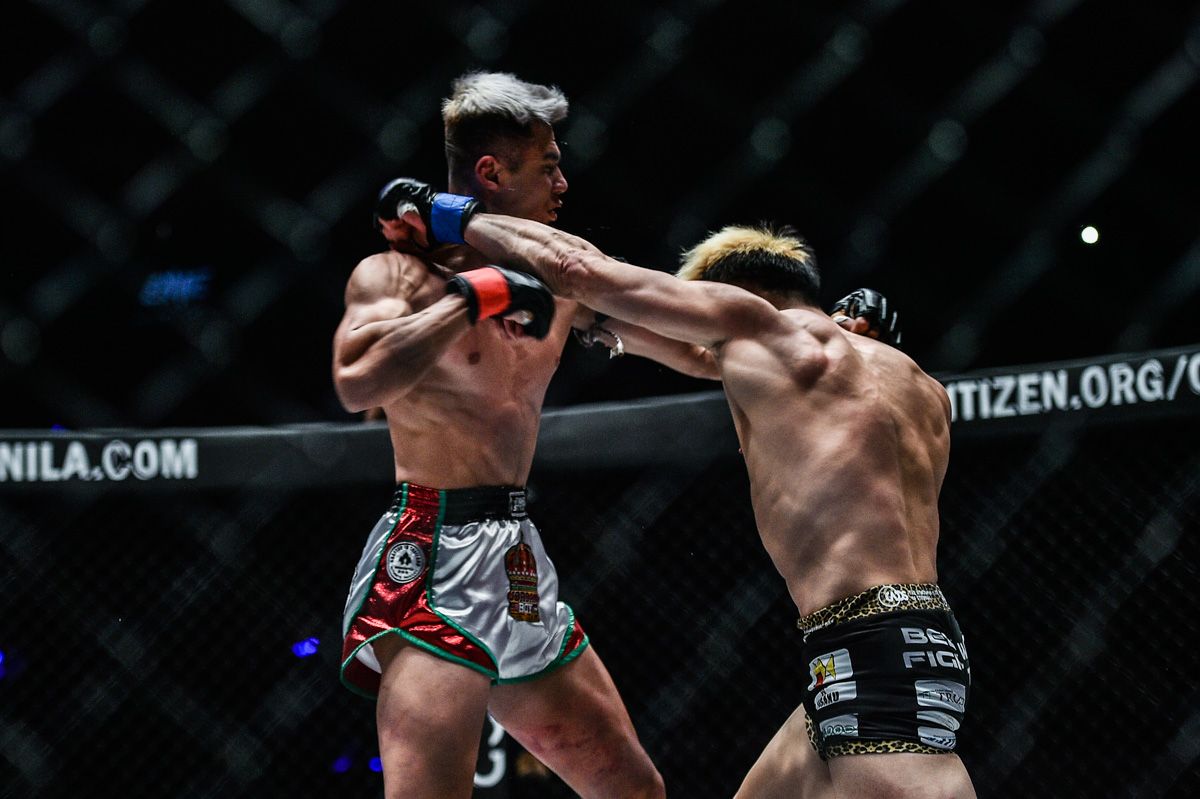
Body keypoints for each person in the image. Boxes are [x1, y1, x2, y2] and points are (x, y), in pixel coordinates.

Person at [376, 182, 977, 799]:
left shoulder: (755, 327)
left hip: (870, 653)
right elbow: (681, 349)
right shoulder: (919, 386)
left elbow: (579, 270)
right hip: (895, 641)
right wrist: (587, 319)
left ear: (731, 296)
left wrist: (447, 214)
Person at [333, 72, 666, 799]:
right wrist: (469, 298)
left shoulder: (562, 273)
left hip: (517, 556)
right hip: (433, 557)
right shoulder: (400, 274)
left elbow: (694, 342)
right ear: (491, 173)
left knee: (633, 790)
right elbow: (356, 380)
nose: (563, 183)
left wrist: (814, 336)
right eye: (548, 165)